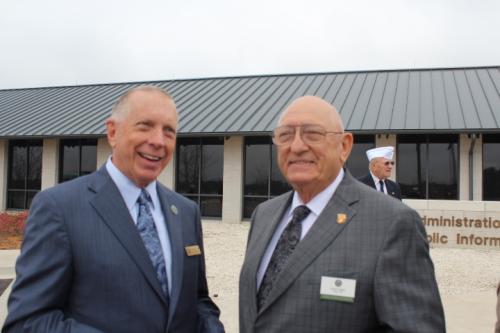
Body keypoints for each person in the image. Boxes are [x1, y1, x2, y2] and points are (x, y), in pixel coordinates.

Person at [2, 86, 224, 333]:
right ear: (112, 132)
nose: (158, 141)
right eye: (145, 126)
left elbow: (198, 302)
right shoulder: (59, 208)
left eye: (169, 131)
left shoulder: (185, 212)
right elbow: (26, 322)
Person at [239, 96, 445, 332]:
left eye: (312, 134)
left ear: (344, 146)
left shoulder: (393, 223)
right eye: (285, 135)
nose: (296, 146)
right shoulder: (263, 215)